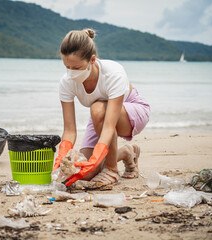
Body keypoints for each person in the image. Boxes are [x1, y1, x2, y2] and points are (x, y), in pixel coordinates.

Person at [53, 28, 150, 187]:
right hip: (100, 117)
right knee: (82, 172)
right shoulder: (66, 82)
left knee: (98, 109)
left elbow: (109, 126)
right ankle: (126, 152)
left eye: (76, 68)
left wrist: (98, 156)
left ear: (92, 60)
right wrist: (61, 158)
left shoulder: (113, 73)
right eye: (67, 67)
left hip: (132, 111)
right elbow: (70, 130)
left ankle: (112, 169)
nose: (71, 73)